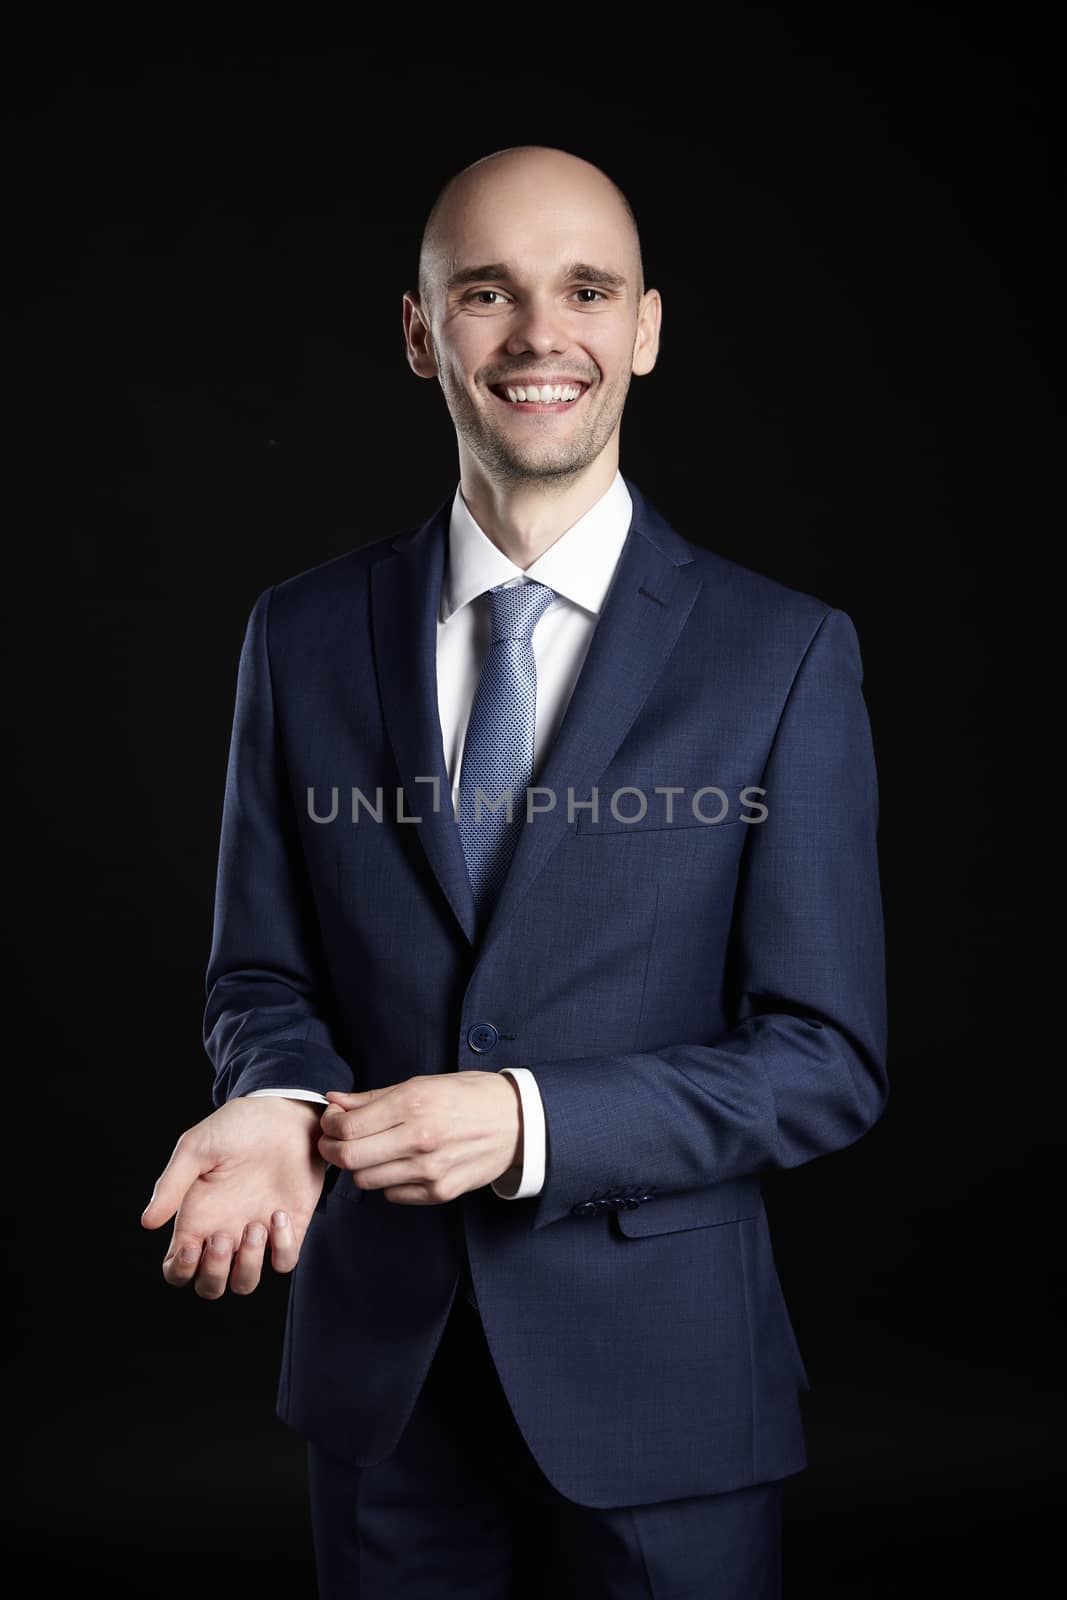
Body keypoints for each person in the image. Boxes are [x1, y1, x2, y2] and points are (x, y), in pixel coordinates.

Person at [141, 143, 888, 1598]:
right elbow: (261, 972)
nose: (542, 335)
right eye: (488, 292)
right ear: (422, 332)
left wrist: (532, 1120)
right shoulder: (297, 635)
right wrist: (283, 1101)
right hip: (382, 1387)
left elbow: (826, 1057)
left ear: (646, 330)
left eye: (586, 291)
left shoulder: (784, 653)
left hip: (670, 1390)